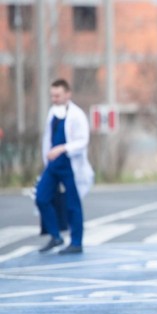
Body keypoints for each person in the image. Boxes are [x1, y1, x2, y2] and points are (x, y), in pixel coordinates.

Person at [36, 78, 94, 254]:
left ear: (67, 94)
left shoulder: (77, 115)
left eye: (57, 95)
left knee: (72, 205)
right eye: (52, 96)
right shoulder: (53, 112)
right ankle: (55, 236)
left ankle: (76, 242)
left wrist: (63, 148)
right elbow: (48, 138)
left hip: (70, 165)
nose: (54, 99)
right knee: (41, 197)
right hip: (53, 165)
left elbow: (83, 141)